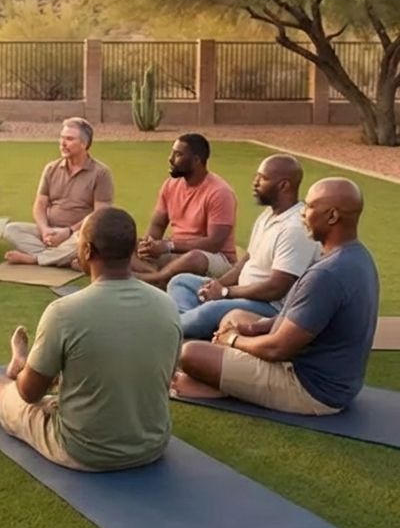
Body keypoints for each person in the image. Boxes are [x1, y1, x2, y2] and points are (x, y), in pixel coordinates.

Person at [0, 207, 181, 471]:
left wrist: (39, 381)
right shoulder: (167, 305)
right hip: (152, 445)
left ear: (87, 251)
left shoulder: (65, 312)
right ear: (131, 251)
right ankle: (27, 364)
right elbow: (161, 377)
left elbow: (28, 394)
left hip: (84, 449)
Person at [174, 178, 378, 415]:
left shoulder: (327, 274)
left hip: (310, 389)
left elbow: (277, 350)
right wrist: (250, 329)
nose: (302, 214)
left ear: (332, 217)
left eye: (310, 207)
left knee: (190, 354)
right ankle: (228, 381)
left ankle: (225, 386)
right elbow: (304, 319)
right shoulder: (358, 256)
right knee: (235, 315)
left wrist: (232, 340)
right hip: (334, 379)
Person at [167, 155, 319, 339]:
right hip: (241, 293)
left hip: (268, 306)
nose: (254, 183)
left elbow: (276, 288)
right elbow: (246, 261)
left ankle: (173, 327)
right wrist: (218, 285)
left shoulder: (295, 229)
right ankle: (195, 326)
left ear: (284, 185)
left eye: (262, 178)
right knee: (181, 282)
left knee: (209, 310)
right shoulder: (268, 216)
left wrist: (225, 293)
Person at [3, 117, 113, 268]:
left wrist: (67, 232)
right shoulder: (51, 168)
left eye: (69, 139)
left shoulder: (101, 173)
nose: (62, 143)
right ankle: (65, 259)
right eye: (61, 138)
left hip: (77, 233)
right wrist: (44, 230)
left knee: (88, 238)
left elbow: (99, 214)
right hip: (50, 231)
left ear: (84, 144)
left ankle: (35, 259)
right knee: (11, 229)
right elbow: (40, 204)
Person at [134, 133, 238, 287]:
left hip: (214, 258)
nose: (170, 159)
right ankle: (157, 277)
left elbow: (213, 243)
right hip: (176, 253)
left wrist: (168, 246)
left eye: (178, 154)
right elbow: (157, 224)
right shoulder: (170, 185)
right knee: (125, 246)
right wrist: (148, 246)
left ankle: (155, 279)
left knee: (194, 258)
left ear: (196, 160)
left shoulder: (220, 192)